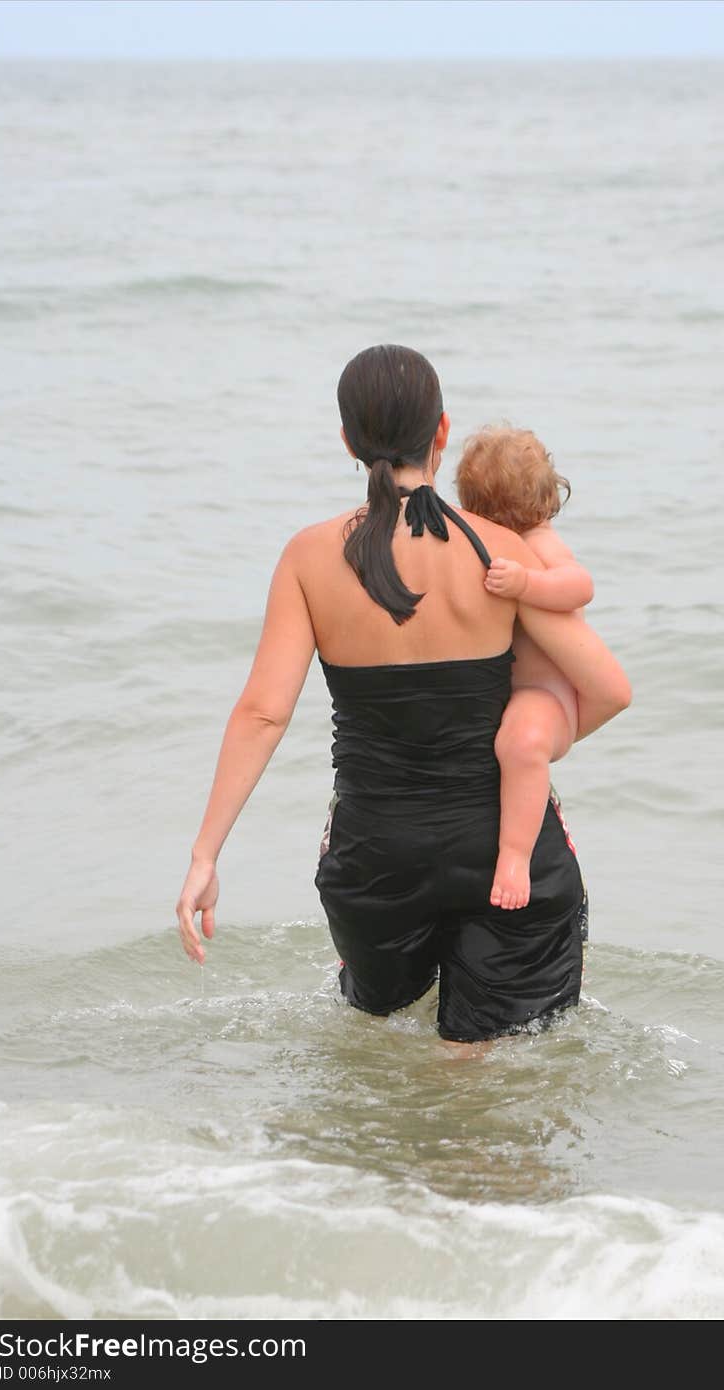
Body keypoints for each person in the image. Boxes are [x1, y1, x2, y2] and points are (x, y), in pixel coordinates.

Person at [176, 345, 631, 1048]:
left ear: (349, 443)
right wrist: (540, 737)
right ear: (442, 433)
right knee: (488, 1076)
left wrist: (206, 855)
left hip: (374, 861)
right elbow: (608, 689)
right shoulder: (499, 554)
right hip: (506, 857)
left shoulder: (308, 557)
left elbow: (263, 713)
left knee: (383, 1051)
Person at [456, 426, 590, 912]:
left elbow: (579, 586)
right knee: (503, 742)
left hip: (547, 696)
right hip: (511, 693)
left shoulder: (538, 539)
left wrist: (526, 583)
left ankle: (514, 857)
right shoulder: (479, 545)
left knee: (522, 743)